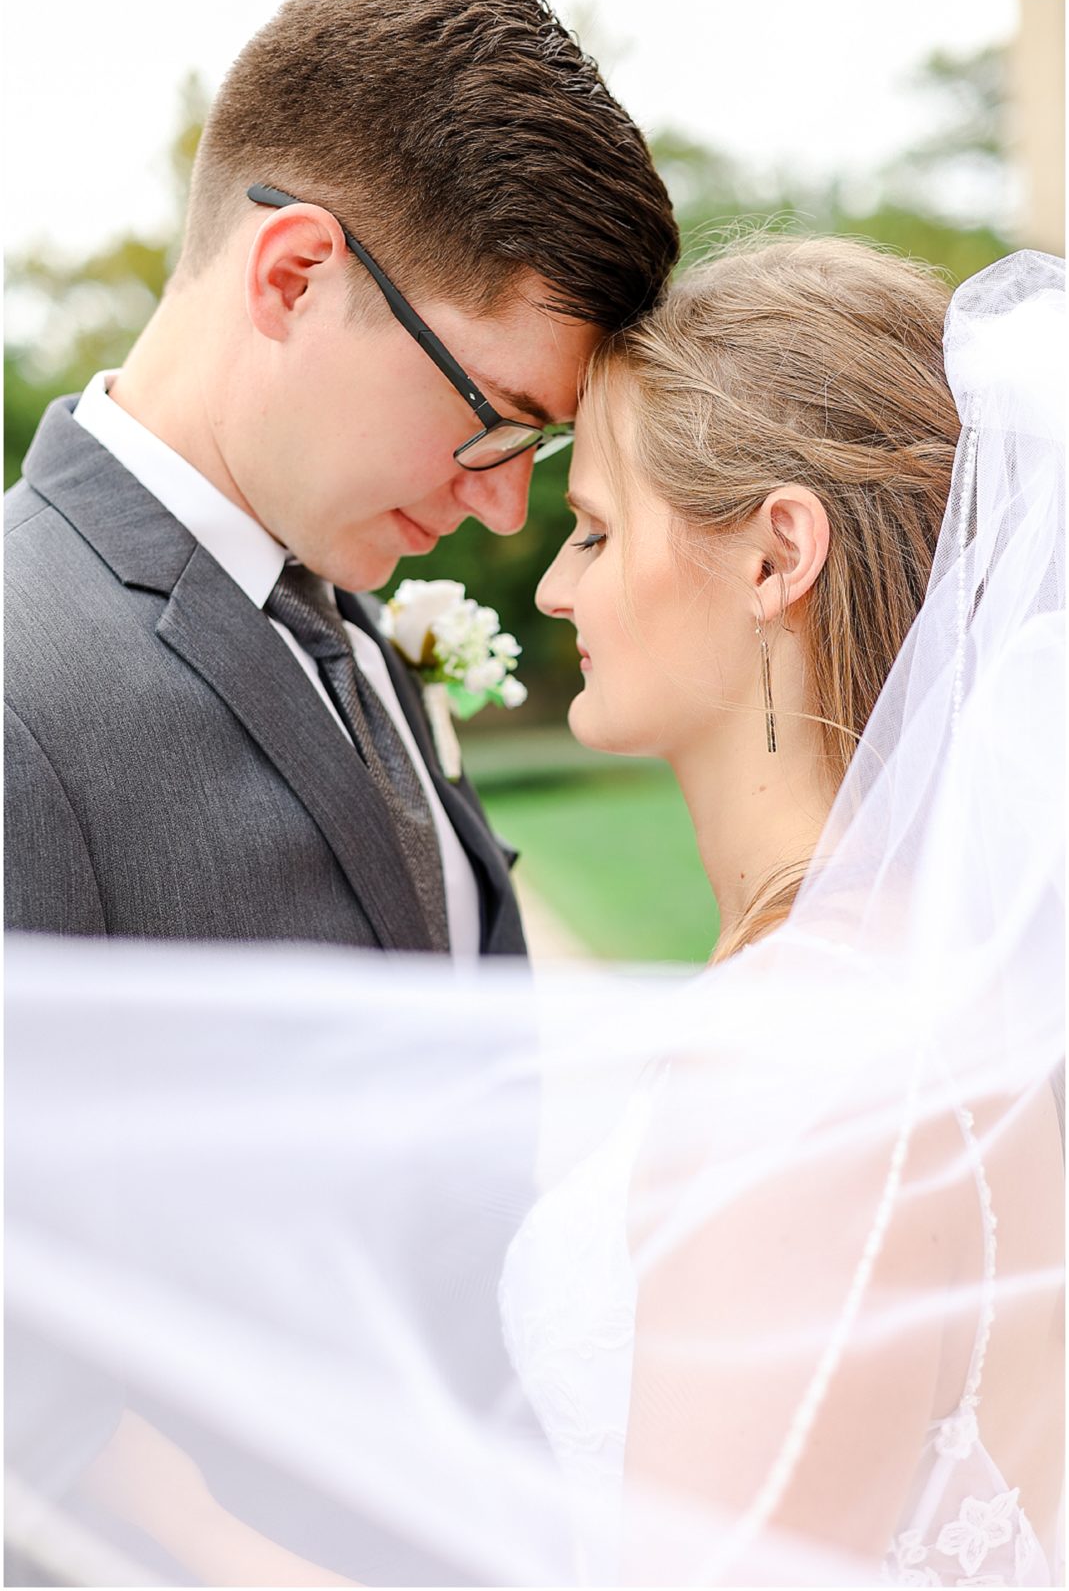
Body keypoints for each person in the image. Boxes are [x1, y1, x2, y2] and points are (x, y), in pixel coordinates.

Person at [5, 242, 1063, 1586]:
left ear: (774, 556)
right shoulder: (920, 987)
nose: (553, 585)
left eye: (600, 531)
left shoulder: (800, 1066)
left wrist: (189, 1525)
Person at [3, 0, 678, 959]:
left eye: (539, 446)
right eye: (493, 418)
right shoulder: (16, 699)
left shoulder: (333, 606)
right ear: (295, 275)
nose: (499, 506)